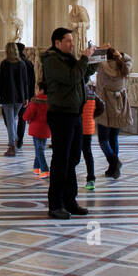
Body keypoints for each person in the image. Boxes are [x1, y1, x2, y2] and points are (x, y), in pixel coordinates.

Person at [41, 27, 99, 219]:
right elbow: (71, 77)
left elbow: (81, 75)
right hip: (61, 115)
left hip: (74, 114)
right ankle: (55, 204)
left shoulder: (68, 59)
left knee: (73, 159)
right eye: (68, 41)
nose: (72, 44)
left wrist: (97, 58)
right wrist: (83, 59)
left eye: (71, 40)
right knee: (61, 161)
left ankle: (70, 201)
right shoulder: (52, 60)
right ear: (57, 43)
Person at [95, 46, 131, 178]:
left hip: (104, 107)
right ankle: (113, 169)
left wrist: (99, 50)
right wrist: (120, 54)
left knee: (103, 139)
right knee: (113, 138)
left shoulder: (102, 67)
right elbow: (129, 58)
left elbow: (91, 59)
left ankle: (114, 162)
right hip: (119, 105)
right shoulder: (124, 66)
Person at [0, 42, 30, 156]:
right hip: (19, 97)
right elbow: (25, 83)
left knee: (10, 121)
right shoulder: (22, 64)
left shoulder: (4, 64)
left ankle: (12, 145)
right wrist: (26, 97)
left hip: (7, 96)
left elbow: (1, 82)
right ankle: (15, 139)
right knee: (12, 119)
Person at [22, 81, 51, 177]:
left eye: (37, 89)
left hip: (37, 129)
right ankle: (36, 167)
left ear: (41, 90)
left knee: (39, 149)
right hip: (46, 128)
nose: (35, 90)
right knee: (40, 148)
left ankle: (45, 169)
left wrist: (25, 117)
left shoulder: (35, 101)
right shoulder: (51, 101)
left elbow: (27, 115)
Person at [79, 84, 99, 191]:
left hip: (78, 127)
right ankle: (91, 179)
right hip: (88, 127)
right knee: (88, 153)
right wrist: (92, 116)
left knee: (74, 154)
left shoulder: (77, 92)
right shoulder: (92, 93)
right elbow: (101, 106)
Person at [15, 41, 35, 147]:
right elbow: (32, 81)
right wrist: (31, 96)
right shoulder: (29, 63)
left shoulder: (16, 62)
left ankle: (14, 138)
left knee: (12, 118)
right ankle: (19, 140)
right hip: (26, 95)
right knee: (22, 118)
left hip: (16, 95)